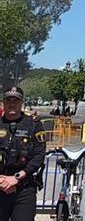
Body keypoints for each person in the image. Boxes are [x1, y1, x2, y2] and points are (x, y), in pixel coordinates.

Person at [0, 86, 46, 221]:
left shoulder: (33, 125)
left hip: (24, 188)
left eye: (16, 100)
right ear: (3, 103)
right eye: (9, 100)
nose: (12, 104)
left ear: (22, 103)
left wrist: (16, 178)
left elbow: (39, 155)